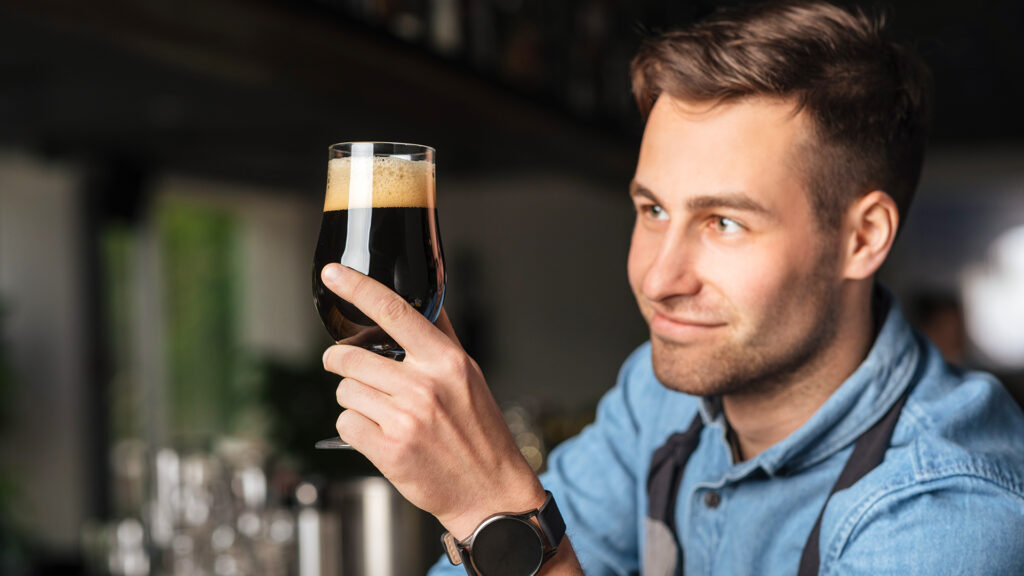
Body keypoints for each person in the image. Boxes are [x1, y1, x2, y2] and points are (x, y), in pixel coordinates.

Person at [319, 1, 1024, 574]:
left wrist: (497, 514)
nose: (658, 279)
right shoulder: (663, 399)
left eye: (723, 222)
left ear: (862, 237)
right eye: (653, 210)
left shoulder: (946, 514)